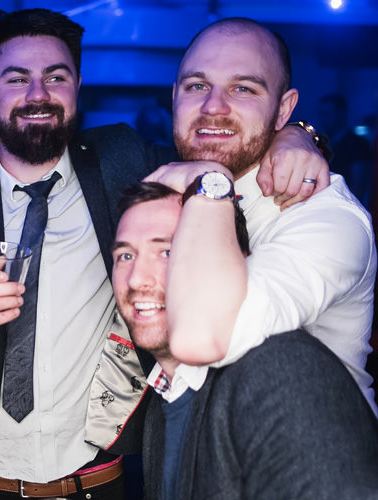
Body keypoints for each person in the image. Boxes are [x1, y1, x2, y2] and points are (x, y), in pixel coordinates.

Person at [0, 9, 331, 500]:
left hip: (103, 483)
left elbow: (223, 145)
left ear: (77, 85)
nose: (37, 95)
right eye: (16, 79)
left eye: (55, 77)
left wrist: (297, 135)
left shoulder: (125, 160)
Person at [142, 18, 378, 416]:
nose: (213, 107)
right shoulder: (164, 182)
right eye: (197, 86)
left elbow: (204, 335)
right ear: (174, 96)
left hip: (308, 466)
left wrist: (210, 182)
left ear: (284, 108)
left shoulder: (327, 218)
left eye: (243, 89)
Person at [110, 182, 378, 499]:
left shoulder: (282, 374)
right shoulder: (161, 400)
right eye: (125, 255)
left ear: (235, 264)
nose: (137, 277)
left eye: (169, 251)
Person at [318, 93, 375, 207]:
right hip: (321, 205)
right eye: (321, 114)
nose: (323, 118)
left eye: (328, 113)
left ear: (341, 114)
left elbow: (358, 186)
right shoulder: (319, 143)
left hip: (344, 207)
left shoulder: (358, 145)